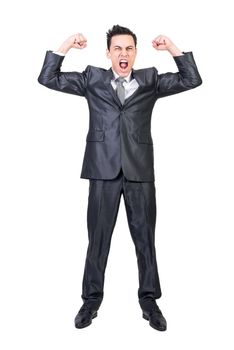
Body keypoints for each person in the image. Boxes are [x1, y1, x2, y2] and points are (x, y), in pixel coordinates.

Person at [38, 24, 202, 331]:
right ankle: (91, 302)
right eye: (117, 48)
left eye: (128, 48)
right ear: (109, 53)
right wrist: (66, 45)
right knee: (97, 240)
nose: (123, 54)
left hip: (140, 171)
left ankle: (150, 302)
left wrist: (173, 49)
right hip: (102, 169)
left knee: (145, 240)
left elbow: (191, 79)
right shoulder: (93, 79)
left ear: (135, 52)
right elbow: (48, 78)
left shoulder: (150, 80)